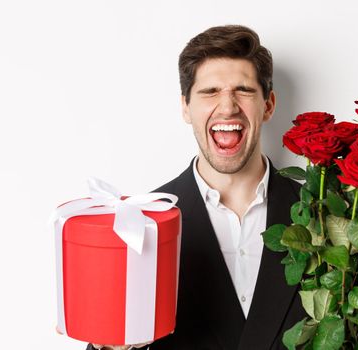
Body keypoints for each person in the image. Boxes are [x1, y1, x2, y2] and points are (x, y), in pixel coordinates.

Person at [88, 24, 305, 350]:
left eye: (243, 90)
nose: (228, 106)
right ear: (186, 107)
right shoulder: (141, 224)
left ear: (269, 105)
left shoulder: (321, 213)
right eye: (210, 92)